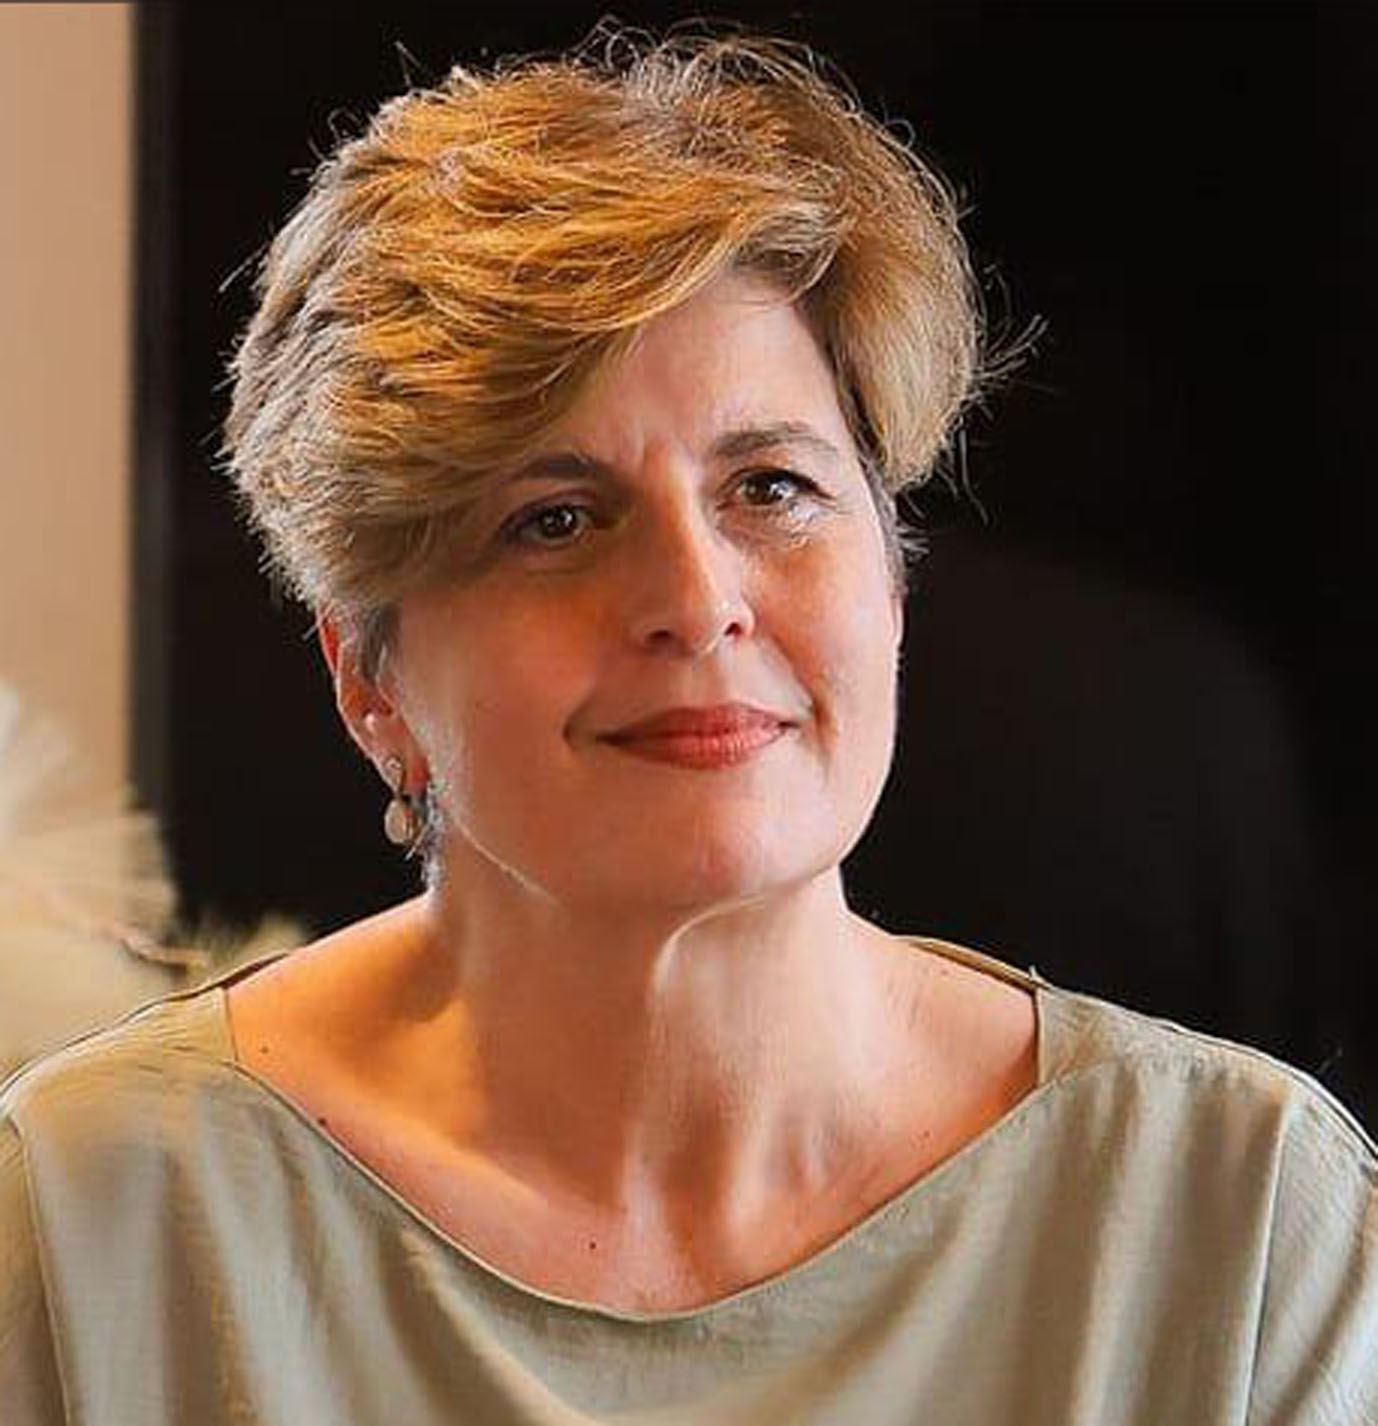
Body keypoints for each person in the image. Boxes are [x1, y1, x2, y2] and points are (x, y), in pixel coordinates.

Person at [1, 28, 1372, 1425]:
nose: (697, 602)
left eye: (770, 487)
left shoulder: (1243, 1220)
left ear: (890, 583)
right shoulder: (93, 1211)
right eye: (554, 519)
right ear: (367, 676)